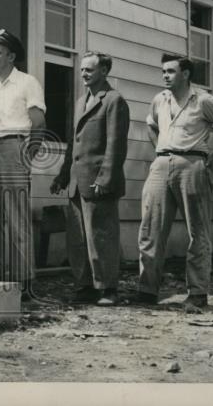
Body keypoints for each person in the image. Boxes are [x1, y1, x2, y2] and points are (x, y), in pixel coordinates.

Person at [136, 53, 213, 312]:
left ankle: (197, 293)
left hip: (193, 165)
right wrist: (160, 148)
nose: (165, 75)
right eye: (163, 71)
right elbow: (150, 125)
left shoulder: (203, 99)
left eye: (171, 71)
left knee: (198, 231)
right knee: (150, 229)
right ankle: (147, 290)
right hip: (161, 164)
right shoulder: (159, 100)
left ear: (185, 74)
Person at [49, 52, 130, 306]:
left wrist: (105, 179)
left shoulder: (114, 101)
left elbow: (116, 146)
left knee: (101, 236)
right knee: (78, 238)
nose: (83, 73)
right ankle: (84, 286)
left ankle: (107, 288)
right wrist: (62, 176)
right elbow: (74, 144)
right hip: (76, 181)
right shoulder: (80, 101)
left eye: (89, 70)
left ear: (104, 71)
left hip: (98, 182)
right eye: (82, 69)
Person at [0, 29, 46, 301]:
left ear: (11, 56)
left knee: (16, 216)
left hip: (14, 147)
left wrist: (25, 157)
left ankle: (24, 280)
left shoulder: (27, 82)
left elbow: (38, 123)